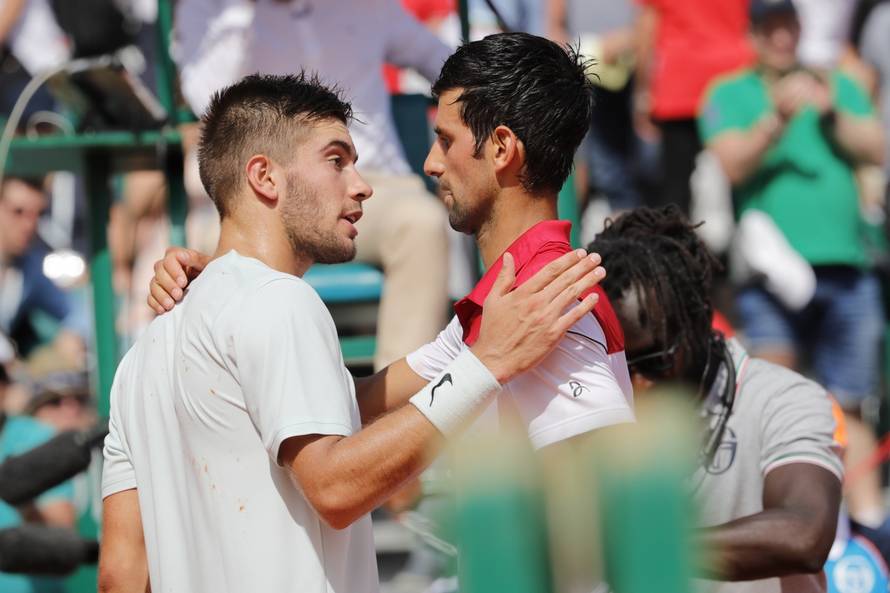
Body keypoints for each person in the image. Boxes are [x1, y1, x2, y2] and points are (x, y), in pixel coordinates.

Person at [98, 72, 606, 593]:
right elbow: (335, 488)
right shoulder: (279, 301)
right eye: (336, 161)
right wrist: (487, 365)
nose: (361, 185)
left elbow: (119, 575)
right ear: (264, 178)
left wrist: (477, 353)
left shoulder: (141, 358)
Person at [150, 33, 634, 453]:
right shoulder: (510, 308)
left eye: (445, 140)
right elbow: (357, 406)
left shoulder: (545, 302)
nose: (431, 163)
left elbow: (612, 504)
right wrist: (225, 282)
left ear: (502, 149)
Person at [172, 0, 453, 370]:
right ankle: (245, 394)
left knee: (422, 223)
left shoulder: (368, 7)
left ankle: (399, 409)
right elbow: (208, 100)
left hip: (375, 186)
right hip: (271, 194)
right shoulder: (211, 10)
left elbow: (447, 66)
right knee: (203, 247)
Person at [588, 206, 843, 593]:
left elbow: (805, 535)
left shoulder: (782, 399)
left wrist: (652, 548)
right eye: (619, 366)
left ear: (699, 319)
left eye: (655, 360)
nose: (637, 384)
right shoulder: (593, 408)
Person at [699, 0, 885, 528]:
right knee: (768, 405)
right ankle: (775, 526)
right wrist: (775, 120)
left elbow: (877, 147)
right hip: (770, 281)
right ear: (754, 34)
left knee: (850, 406)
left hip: (848, 271)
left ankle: (867, 533)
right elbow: (731, 162)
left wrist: (830, 112)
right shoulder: (730, 92)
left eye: (789, 26)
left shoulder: (838, 86)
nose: (782, 38)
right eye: (771, 28)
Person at [634, 0, 755, 215]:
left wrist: (642, 91)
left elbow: (647, 28)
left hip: (682, 82)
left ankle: (675, 246)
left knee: (676, 190)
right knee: (740, 186)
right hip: (732, 77)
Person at [0, 177, 86, 364]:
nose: (28, 225)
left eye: (37, 214)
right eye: (18, 212)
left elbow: (76, 310)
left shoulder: (30, 267)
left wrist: (71, 334)